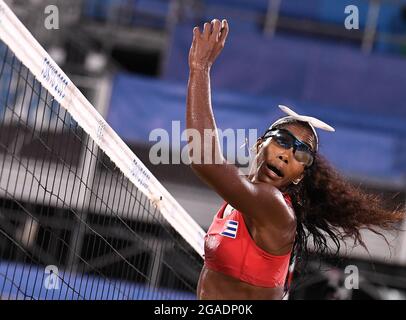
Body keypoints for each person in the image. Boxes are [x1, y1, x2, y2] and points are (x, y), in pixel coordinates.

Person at [186, 19, 405, 300]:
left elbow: (205, 159)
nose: (287, 154)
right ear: (258, 145)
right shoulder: (239, 199)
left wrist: (200, 69)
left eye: (301, 153)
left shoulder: (274, 206)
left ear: (300, 174)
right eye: (282, 140)